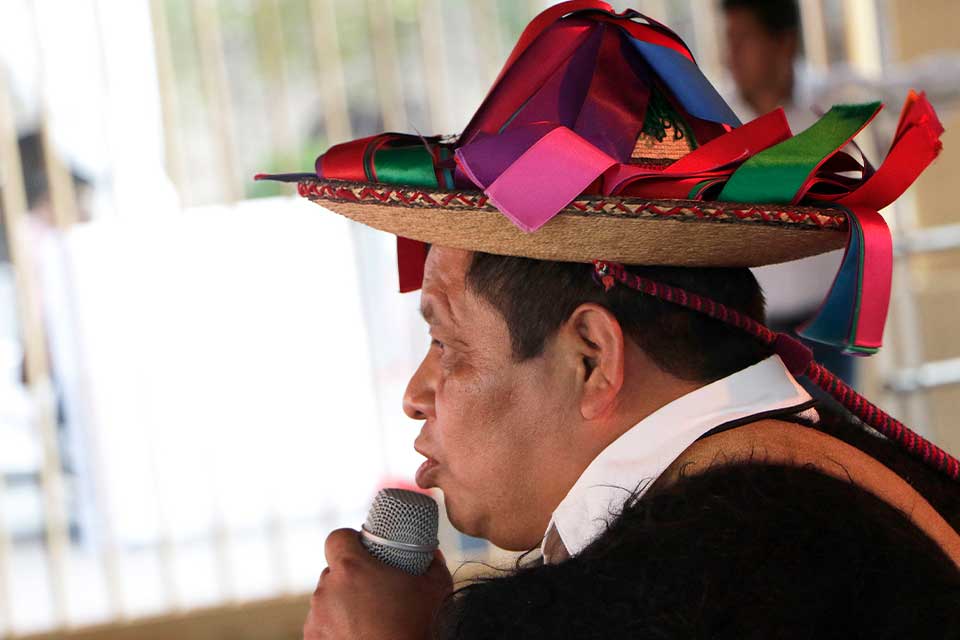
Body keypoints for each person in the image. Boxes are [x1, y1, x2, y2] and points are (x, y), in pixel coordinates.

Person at [256, 2, 959, 637]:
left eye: (445, 342)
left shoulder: (660, 599)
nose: (416, 394)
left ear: (592, 358)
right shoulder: (870, 484)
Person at [721, 0, 856, 388]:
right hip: (756, 332)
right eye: (729, 40)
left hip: (831, 324)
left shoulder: (834, 109)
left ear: (784, 43)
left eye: (744, 39)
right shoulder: (716, 126)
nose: (731, 56)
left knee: (841, 423)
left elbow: (922, 84)